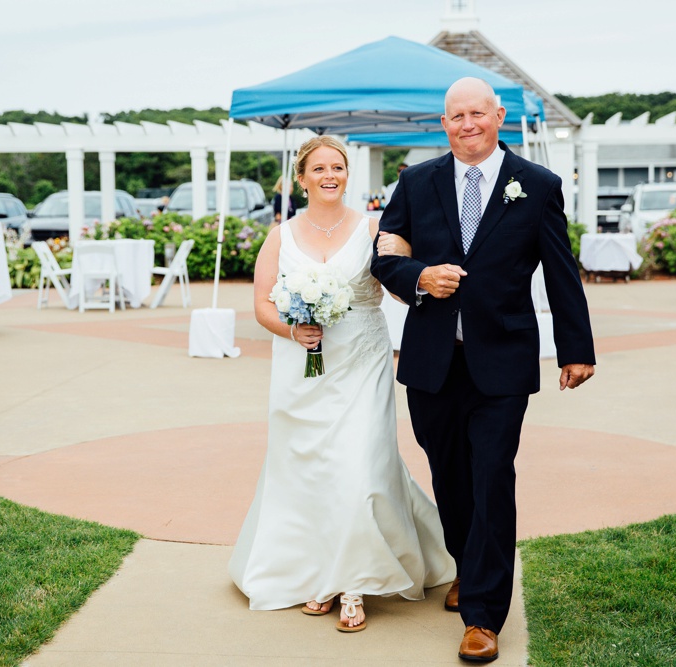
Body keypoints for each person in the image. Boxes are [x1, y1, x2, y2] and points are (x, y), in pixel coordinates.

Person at [371, 77, 596, 662]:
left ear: (498, 116)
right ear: (442, 123)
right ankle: (469, 568)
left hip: (502, 360)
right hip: (431, 361)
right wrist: (418, 277)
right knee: (449, 476)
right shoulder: (415, 182)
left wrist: (577, 348)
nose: (467, 124)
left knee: (493, 475)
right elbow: (383, 256)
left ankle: (484, 615)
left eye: (477, 113)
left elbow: (559, 270)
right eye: (455, 116)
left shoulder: (539, 185)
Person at [228, 136, 455, 633]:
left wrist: (423, 279)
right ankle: (316, 572)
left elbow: (399, 282)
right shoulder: (279, 236)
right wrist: (291, 328)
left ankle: (353, 581)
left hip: (362, 361)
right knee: (307, 467)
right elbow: (263, 305)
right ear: (302, 177)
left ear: (347, 175)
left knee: (360, 464)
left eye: (339, 167)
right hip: (301, 364)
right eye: (320, 168)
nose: (330, 175)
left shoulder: (375, 228)